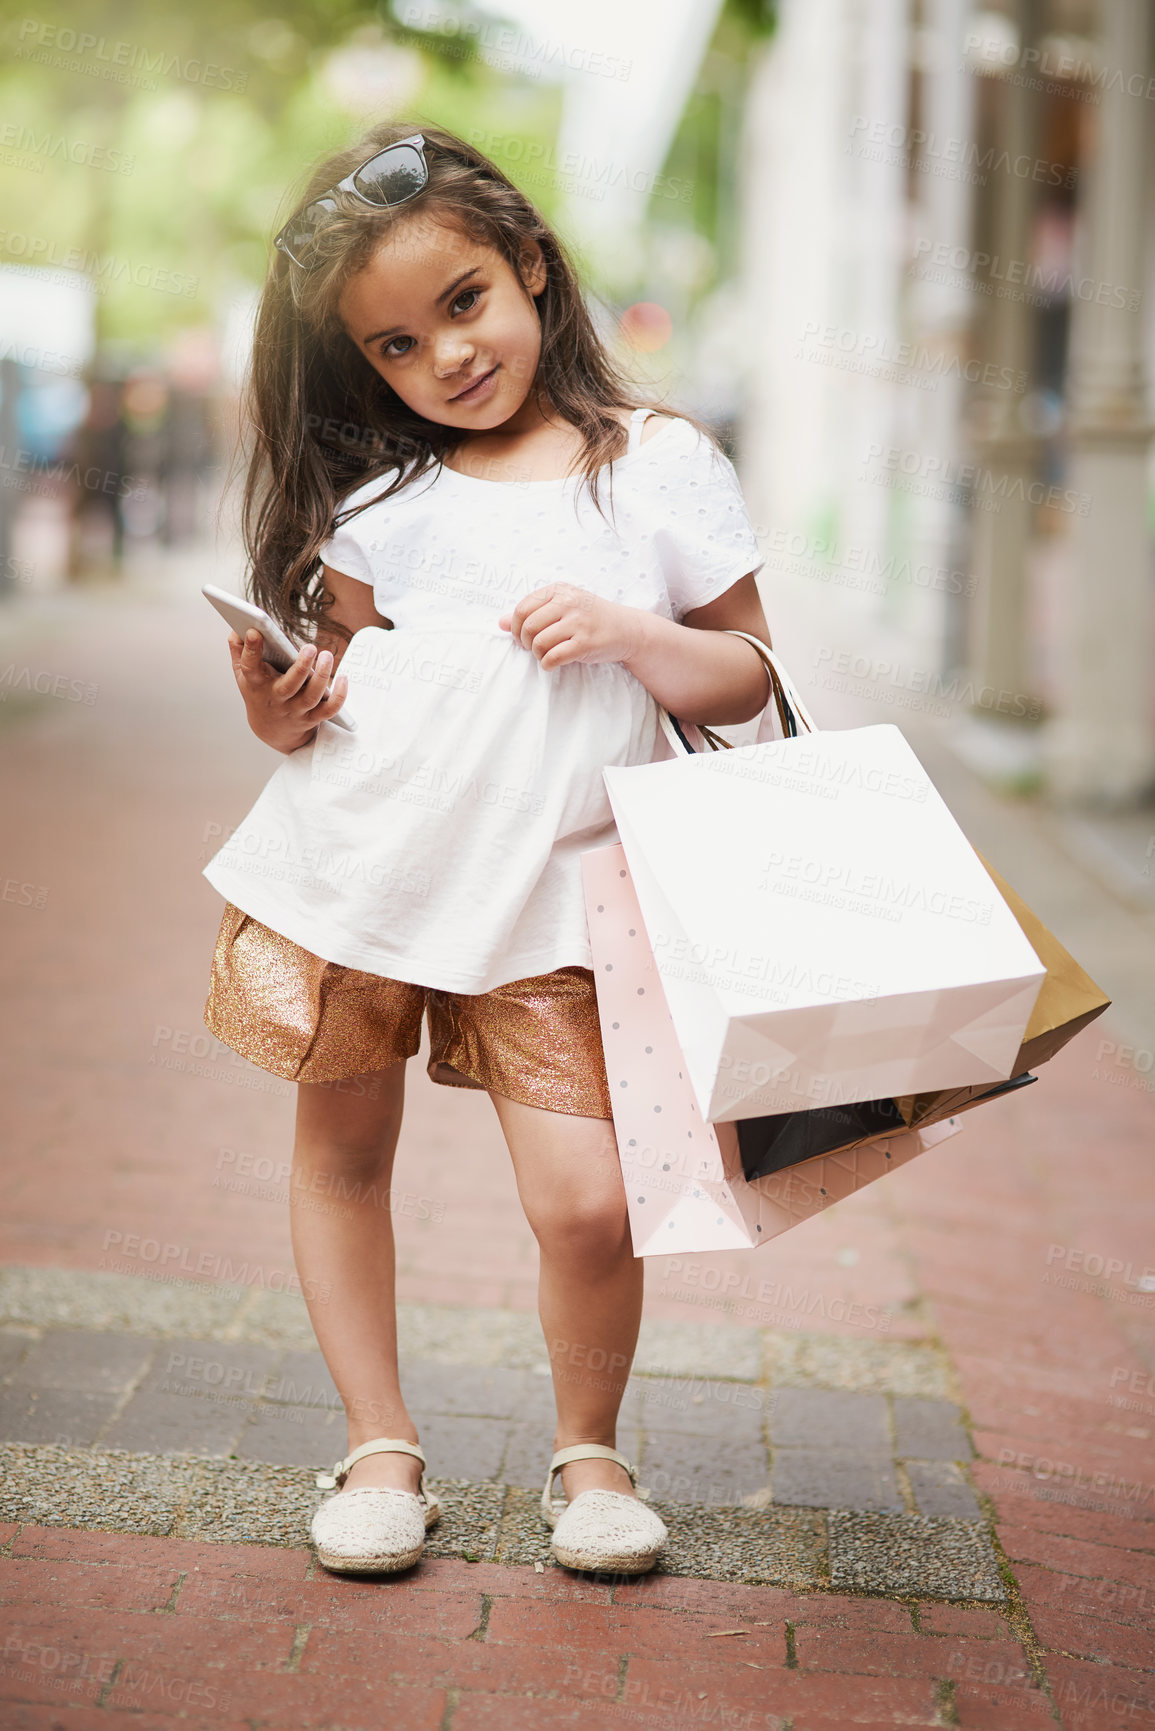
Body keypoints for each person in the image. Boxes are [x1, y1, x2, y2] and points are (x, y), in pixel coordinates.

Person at [202, 122, 773, 1577]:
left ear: (528, 264)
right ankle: (379, 1446)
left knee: (587, 1199)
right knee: (342, 1154)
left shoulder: (658, 464)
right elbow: (332, 683)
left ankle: (591, 1460)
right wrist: (278, 708)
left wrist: (633, 634)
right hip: (366, 873)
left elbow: (747, 674)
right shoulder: (383, 501)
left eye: (463, 302)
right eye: (396, 345)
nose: (445, 357)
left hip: (568, 894)